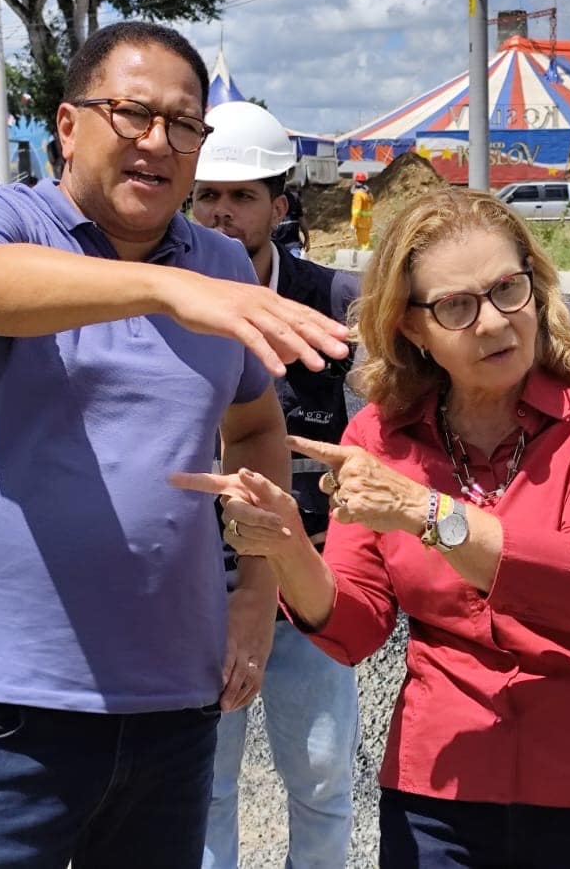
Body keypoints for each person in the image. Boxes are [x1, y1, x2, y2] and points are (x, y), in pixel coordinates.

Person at [0, 21, 349, 867]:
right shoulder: (4, 218)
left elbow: (256, 425)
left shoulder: (219, 264)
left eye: (183, 125)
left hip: (171, 704)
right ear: (68, 126)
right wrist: (165, 289)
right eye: (133, 114)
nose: (158, 142)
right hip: (6, 708)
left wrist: (256, 593)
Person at [175, 187, 570, 868]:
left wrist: (428, 513)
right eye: (456, 306)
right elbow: (356, 626)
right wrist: (288, 546)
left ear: (537, 287)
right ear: (411, 328)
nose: (493, 322)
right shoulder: (379, 436)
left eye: (507, 290)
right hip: (441, 801)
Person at [189, 100, 362, 869]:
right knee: (206, 788)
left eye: (242, 196)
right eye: (208, 196)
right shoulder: (166, 296)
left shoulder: (334, 301)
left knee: (322, 777)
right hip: (197, 592)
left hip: (306, 585)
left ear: (279, 206)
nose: (222, 213)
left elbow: (391, 410)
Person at [272, 184, 308, 257]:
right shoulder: (268, 198)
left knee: (295, 262)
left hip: (293, 246)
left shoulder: (294, 198)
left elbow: (301, 219)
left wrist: (307, 238)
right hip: (275, 246)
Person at [349, 171, 373, 250]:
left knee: (364, 245)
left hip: (361, 223)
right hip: (367, 222)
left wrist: (353, 224)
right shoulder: (368, 194)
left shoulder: (358, 195)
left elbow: (357, 211)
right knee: (366, 243)